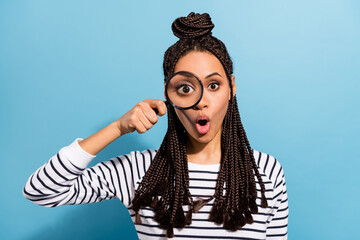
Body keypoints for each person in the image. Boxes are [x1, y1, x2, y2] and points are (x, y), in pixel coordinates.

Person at [23, 12, 288, 239]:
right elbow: (41, 191)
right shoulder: (140, 171)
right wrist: (117, 128)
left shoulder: (266, 171)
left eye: (214, 85)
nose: (201, 102)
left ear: (232, 88)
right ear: (168, 93)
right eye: (185, 87)